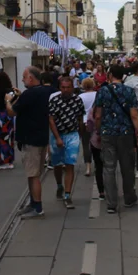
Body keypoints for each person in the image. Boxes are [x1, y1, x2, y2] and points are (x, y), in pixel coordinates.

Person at [93, 64, 138, 213]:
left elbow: (97, 115)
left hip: (107, 133)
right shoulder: (129, 91)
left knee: (109, 168)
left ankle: (111, 203)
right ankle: (128, 198)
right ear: (123, 76)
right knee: (127, 167)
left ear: (109, 75)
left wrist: (98, 131)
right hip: (125, 133)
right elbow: (134, 115)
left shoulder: (102, 91)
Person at [7, 66, 51, 218]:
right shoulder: (46, 92)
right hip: (42, 136)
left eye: (24, 77)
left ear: (31, 78)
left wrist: (8, 101)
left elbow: (12, 111)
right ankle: (32, 202)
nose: (22, 80)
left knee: (33, 175)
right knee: (34, 173)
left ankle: (37, 207)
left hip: (30, 139)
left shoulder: (29, 93)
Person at [49, 76, 85, 210]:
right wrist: (57, 138)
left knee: (70, 164)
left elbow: (80, 118)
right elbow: (51, 119)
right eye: (63, 87)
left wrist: (80, 134)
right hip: (56, 135)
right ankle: (59, 185)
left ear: (72, 87)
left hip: (72, 134)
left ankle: (68, 195)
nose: (65, 90)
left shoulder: (77, 100)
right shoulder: (54, 101)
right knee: (57, 165)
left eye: (68, 87)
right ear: (59, 88)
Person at [0, 71, 17, 169]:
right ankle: (9, 160)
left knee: (1, 138)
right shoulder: (10, 90)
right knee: (9, 138)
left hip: (1, 116)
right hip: (9, 115)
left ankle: (3, 160)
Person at [79, 78, 98, 178]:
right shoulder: (98, 94)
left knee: (86, 145)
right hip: (96, 121)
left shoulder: (80, 97)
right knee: (97, 143)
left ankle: (88, 167)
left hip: (84, 122)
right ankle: (98, 164)